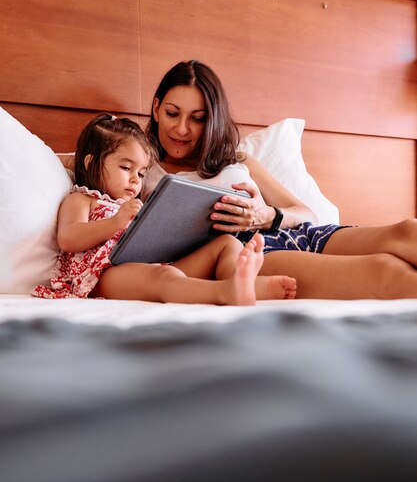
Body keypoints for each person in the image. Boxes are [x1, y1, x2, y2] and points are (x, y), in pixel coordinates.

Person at [144, 59, 417, 300]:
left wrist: (266, 215)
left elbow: (305, 212)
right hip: (249, 253)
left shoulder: (237, 160)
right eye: (172, 113)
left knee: (408, 231)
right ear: (156, 109)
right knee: (385, 271)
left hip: (296, 234)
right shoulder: (139, 170)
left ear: (212, 121)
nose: (181, 128)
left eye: (197, 118)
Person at [34, 113, 297, 305]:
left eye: (141, 171)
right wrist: (114, 223)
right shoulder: (82, 199)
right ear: (91, 164)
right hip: (101, 276)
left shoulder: (132, 204)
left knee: (226, 244)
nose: (136, 179)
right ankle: (223, 292)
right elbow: (68, 239)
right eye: (126, 168)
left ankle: (243, 282)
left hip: (149, 265)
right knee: (165, 276)